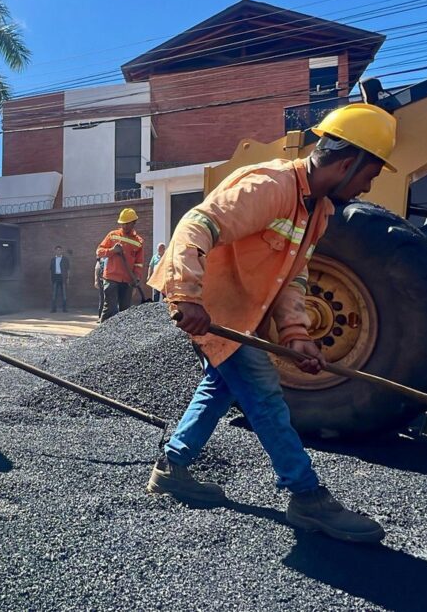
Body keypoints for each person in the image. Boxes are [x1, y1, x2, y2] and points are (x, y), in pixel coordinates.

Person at [146, 103, 397, 543]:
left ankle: (173, 466)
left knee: (218, 388)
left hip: (246, 318)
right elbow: (196, 223)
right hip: (214, 310)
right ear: (345, 163)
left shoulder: (317, 212)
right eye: (367, 176)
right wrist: (184, 294)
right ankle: (306, 495)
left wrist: (297, 336)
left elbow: (292, 277)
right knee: (265, 398)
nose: (366, 188)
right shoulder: (272, 184)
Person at [95, 208, 144, 321]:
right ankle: (103, 334)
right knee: (110, 309)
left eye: (127, 224)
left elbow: (139, 263)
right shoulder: (112, 235)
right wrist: (112, 250)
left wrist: (136, 277)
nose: (125, 226)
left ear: (134, 223)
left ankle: (122, 336)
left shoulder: (139, 241)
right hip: (111, 278)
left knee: (125, 311)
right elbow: (99, 251)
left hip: (128, 280)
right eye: (123, 224)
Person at [49, 245, 70, 313]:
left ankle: (64, 308)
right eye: (57, 250)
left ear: (62, 251)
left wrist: (68, 278)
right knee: (54, 294)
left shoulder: (65, 259)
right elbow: (51, 269)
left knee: (64, 294)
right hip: (55, 277)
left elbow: (68, 269)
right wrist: (51, 277)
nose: (58, 251)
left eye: (60, 250)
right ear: (55, 251)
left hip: (63, 277)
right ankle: (53, 309)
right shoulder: (53, 260)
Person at [94, 257, 107, 322]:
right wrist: (96, 280)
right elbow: (97, 269)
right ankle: (100, 317)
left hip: (111, 281)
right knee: (102, 299)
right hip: (102, 281)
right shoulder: (100, 259)